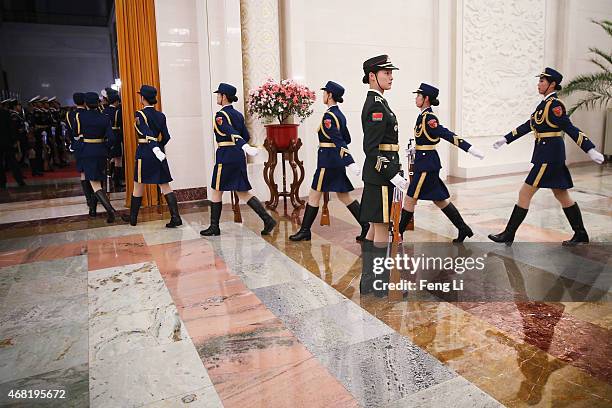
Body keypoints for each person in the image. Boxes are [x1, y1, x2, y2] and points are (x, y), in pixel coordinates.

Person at [489, 67, 605, 246]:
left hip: (548, 157)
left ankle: (509, 233)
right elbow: (528, 125)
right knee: (562, 194)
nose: (539, 84)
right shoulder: (544, 105)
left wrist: (589, 148)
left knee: (524, 193)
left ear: (552, 85)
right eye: (539, 80)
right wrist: (506, 138)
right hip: (549, 154)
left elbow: (570, 128)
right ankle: (581, 234)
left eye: (542, 81)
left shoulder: (555, 106)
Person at [398, 83, 484, 242]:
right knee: (439, 199)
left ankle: (398, 233)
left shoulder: (430, 118)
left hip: (426, 165)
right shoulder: (422, 116)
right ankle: (463, 228)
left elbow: (446, 134)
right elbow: (424, 139)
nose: (416, 98)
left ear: (426, 99)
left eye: (418, 96)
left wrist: (469, 148)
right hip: (424, 161)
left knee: (410, 197)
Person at [289, 81, 369, 242]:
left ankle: (305, 231)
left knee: (313, 195)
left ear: (330, 95)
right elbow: (347, 138)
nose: (323, 95)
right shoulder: (339, 114)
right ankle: (366, 225)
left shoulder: (329, 116)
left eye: (324, 92)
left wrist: (350, 161)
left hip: (327, 163)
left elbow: (340, 140)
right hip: (335, 162)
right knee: (344, 195)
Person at [200, 83, 276, 236]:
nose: (217, 97)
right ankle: (267, 219)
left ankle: (214, 227)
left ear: (224, 97)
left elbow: (230, 132)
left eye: (218, 94)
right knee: (242, 192)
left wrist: (243, 145)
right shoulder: (238, 115)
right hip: (238, 156)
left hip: (226, 155)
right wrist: (244, 146)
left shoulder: (221, 115)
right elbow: (245, 136)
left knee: (217, 190)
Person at [124, 85, 182, 228]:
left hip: (144, 152)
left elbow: (145, 132)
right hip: (159, 153)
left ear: (142, 98)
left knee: (138, 186)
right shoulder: (161, 115)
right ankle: (176, 217)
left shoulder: (140, 114)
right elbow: (167, 137)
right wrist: (159, 146)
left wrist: (153, 146)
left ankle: (133, 218)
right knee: (165, 185)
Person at [79, 92, 121, 223]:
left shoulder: (80, 116)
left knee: (94, 183)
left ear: (85, 103)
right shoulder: (104, 117)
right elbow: (112, 138)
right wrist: (105, 147)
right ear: (98, 103)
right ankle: (92, 209)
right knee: (98, 180)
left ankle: (111, 211)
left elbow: (76, 134)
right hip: (101, 152)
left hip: (87, 151)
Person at [66, 92, 97, 216]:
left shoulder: (70, 114)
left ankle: (88, 199)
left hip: (78, 145)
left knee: (83, 172)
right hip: (89, 144)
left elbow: (71, 131)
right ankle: (94, 198)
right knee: (93, 173)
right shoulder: (86, 113)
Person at [103, 90, 124, 190]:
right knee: (118, 159)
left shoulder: (104, 111)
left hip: (106, 136)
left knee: (110, 158)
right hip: (116, 135)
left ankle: (109, 178)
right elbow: (121, 124)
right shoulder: (117, 112)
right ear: (115, 102)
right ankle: (117, 182)